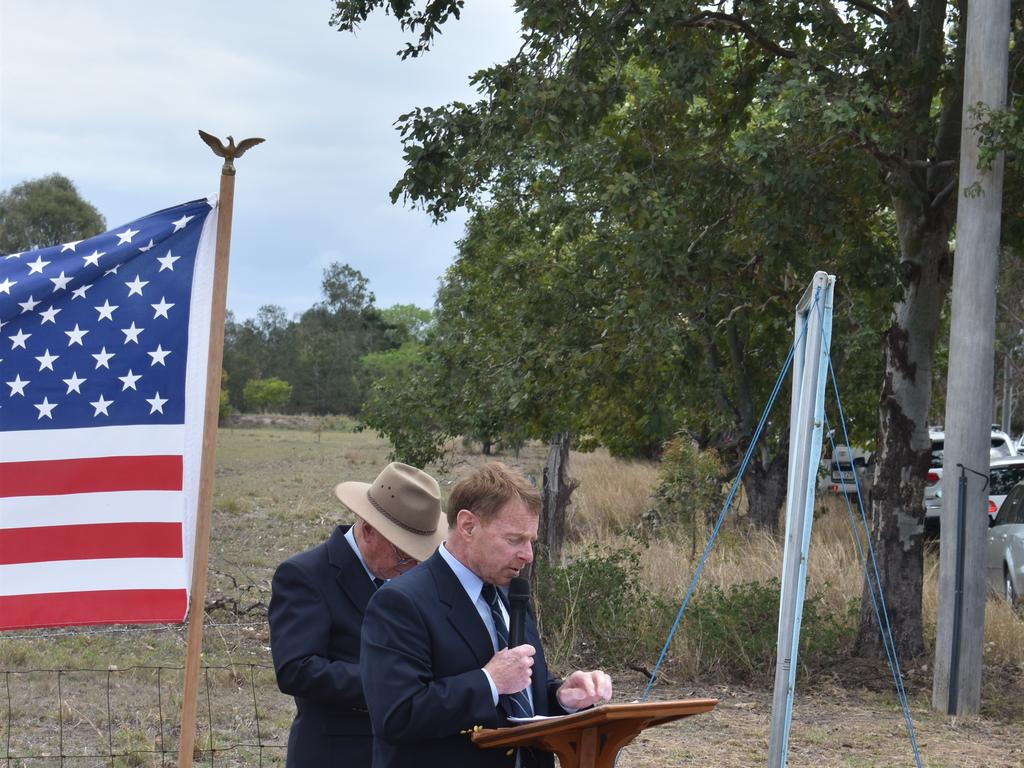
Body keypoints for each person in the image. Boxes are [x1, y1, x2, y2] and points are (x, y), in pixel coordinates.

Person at [361, 461, 613, 768]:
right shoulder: (401, 602)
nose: (528, 555)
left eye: (530, 541)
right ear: (468, 526)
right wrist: (487, 682)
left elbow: (520, 695)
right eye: (514, 540)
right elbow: (397, 716)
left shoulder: (510, 592)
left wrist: (561, 698)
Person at [268, 462, 446, 768]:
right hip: (338, 754)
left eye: (420, 557)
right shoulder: (304, 575)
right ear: (367, 531)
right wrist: (390, 683)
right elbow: (297, 670)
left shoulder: (414, 579)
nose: (413, 568)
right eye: (404, 555)